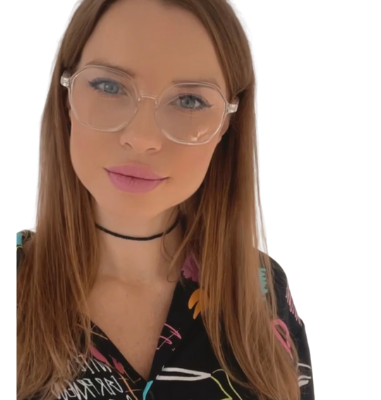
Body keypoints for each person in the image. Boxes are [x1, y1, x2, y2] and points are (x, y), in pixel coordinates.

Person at [16, 0, 314, 399]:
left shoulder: (262, 293)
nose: (142, 138)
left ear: (227, 123)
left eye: (189, 101)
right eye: (109, 86)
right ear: (65, 94)